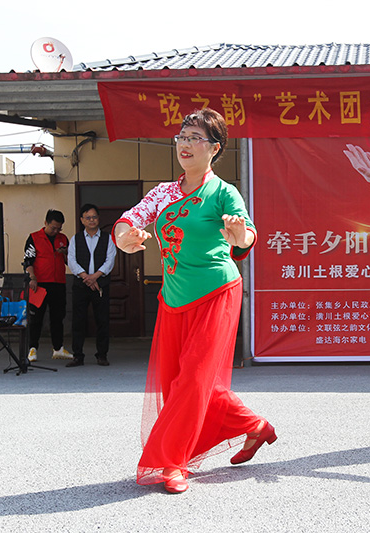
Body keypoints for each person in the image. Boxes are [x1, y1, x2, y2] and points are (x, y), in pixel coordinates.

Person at [113, 108, 275, 494]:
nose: (185, 144)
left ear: (215, 148)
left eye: (194, 138)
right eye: (181, 137)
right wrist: (124, 237)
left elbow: (247, 234)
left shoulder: (223, 192)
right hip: (174, 297)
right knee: (179, 382)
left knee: (194, 379)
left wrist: (239, 235)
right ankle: (254, 426)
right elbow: (130, 219)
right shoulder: (163, 193)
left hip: (217, 293)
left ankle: (172, 462)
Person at [66, 203, 116, 367]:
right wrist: (85, 277)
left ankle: (102, 355)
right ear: (82, 220)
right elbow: (71, 260)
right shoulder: (76, 239)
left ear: (98, 219)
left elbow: (110, 260)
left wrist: (95, 277)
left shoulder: (108, 238)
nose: (91, 220)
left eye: (94, 217)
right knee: (78, 321)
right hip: (81, 286)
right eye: (88, 218)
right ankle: (78, 356)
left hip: (101, 285)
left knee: (102, 320)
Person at [23, 209, 73, 362]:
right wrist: (32, 277)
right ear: (46, 223)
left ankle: (58, 349)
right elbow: (28, 261)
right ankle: (32, 349)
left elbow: (70, 261)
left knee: (58, 317)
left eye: (59, 228)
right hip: (40, 284)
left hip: (58, 282)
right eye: (53, 228)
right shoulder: (34, 238)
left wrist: (66, 252)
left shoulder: (63, 239)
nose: (56, 231)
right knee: (36, 318)